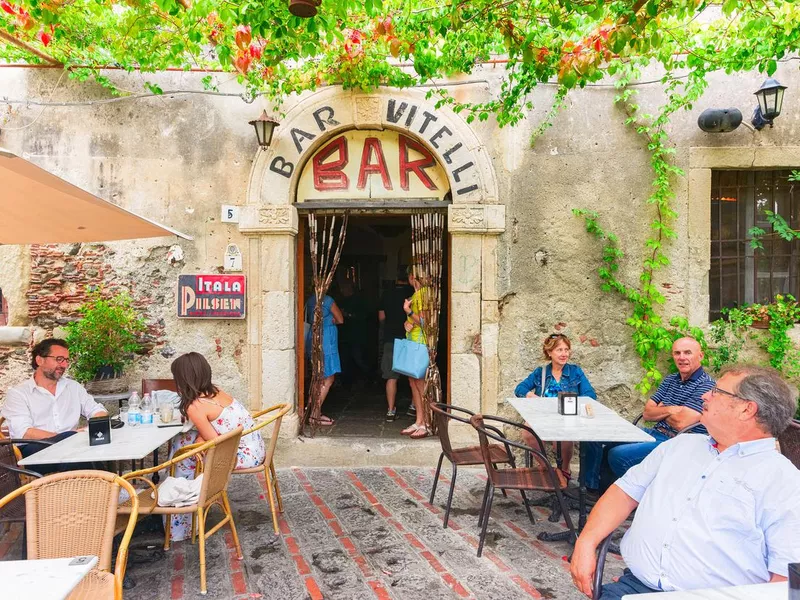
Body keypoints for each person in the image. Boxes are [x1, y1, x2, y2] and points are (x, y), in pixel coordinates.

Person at [570, 365, 800, 599]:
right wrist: (586, 543)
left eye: (716, 391)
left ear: (746, 409)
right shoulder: (679, 446)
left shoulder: (783, 481)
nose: (705, 395)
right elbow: (624, 492)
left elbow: (783, 579)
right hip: (634, 587)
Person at [168, 352, 266, 542]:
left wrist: (198, 443)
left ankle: (181, 521)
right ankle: (183, 509)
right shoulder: (217, 391)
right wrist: (199, 440)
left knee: (182, 455)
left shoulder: (195, 406)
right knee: (187, 443)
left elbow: (217, 444)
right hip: (255, 448)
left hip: (238, 454)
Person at [602, 336, 714, 484]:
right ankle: (599, 492)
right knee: (608, 441)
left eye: (687, 353)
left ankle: (639, 496)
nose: (682, 357)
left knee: (618, 455)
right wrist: (673, 409)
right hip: (655, 433)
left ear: (700, 355)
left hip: (678, 441)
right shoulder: (670, 380)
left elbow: (682, 423)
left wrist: (661, 410)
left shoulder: (706, 385)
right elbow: (647, 413)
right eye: (677, 353)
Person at [2, 338, 107, 472]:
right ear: (39, 360)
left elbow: (96, 410)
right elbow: (24, 433)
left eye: (66, 360)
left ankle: (99, 488)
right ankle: (112, 486)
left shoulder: (73, 387)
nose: (64, 365)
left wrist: (96, 424)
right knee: (73, 451)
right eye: (59, 359)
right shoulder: (19, 394)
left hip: (72, 446)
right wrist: (65, 437)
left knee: (83, 450)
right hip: (34, 450)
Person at [514, 333, 596, 480]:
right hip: (545, 416)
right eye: (559, 350)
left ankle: (564, 471)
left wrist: (574, 402)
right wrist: (530, 395)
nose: (564, 354)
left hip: (567, 416)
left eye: (566, 350)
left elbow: (590, 394)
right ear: (549, 352)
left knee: (565, 435)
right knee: (527, 431)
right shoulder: (541, 373)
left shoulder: (575, 372)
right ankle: (547, 469)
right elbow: (520, 389)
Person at [378, 265, 414, 422]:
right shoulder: (412, 294)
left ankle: (391, 410)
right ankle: (414, 407)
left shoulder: (386, 294)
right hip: (410, 338)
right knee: (414, 375)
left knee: (391, 376)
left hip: (390, 338)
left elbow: (381, 317)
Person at [304, 293, 344, 426]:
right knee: (328, 378)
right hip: (326, 340)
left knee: (317, 376)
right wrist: (331, 319)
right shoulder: (328, 300)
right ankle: (315, 415)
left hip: (313, 337)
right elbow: (340, 319)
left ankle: (312, 411)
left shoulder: (310, 300)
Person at [401, 268, 431, 439]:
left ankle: (425, 422)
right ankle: (419, 420)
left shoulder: (424, 294)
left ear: (412, 277)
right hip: (413, 341)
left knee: (420, 383)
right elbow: (415, 322)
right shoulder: (417, 295)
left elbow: (426, 321)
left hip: (420, 342)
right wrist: (407, 323)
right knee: (413, 381)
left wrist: (408, 311)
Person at [338, 280, 371, 390]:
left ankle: (368, 378)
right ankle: (347, 382)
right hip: (344, 336)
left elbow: (363, 316)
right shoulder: (341, 301)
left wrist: (347, 314)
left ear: (349, 288)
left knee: (359, 359)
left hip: (357, 335)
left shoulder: (359, 301)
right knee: (345, 360)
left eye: (344, 288)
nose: (342, 291)